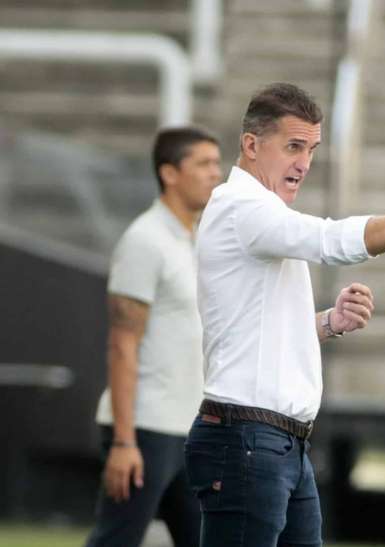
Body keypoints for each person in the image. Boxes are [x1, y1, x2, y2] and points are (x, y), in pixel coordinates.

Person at [184, 82, 385, 547]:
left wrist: (328, 322)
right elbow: (335, 242)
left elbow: (257, 335)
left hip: (277, 443)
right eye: (293, 147)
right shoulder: (242, 207)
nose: (304, 164)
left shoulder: (260, 213)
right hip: (246, 440)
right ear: (251, 146)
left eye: (311, 149)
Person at [85, 127, 222, 547]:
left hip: (191, 429)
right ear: (169, 173)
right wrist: (125, 442)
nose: (216, 174)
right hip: (145, 429)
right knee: (116, 540)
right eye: (203, 164)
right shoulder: (145, 240)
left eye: (217, 163)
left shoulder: (198, 241)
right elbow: (122, 344)